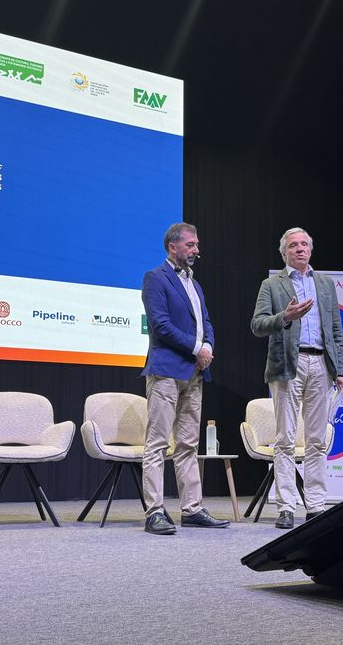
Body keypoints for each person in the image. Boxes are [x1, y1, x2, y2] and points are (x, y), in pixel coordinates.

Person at [250, 227, 343, 529]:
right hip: (287, 365)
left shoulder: (325, 284)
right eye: (293, 245)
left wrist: (341, 370)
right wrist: (285, 318)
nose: (300, 249)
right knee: (285, 439)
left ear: (311, 250)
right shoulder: (271, 285)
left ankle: (316, 505)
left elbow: (336, 330)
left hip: (321, 363)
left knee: (317, 440)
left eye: (304, 244)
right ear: (284, 253)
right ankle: (286, 507)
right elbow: (257, 325)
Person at [139, 222, 230, 535]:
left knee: (189, 445)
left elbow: (206, 323)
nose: (196, 250)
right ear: (172, 246)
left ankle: (191, 509)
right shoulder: (155, 278)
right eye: (190, 245)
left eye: (196, 244)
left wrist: (208, 346)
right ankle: (154, 512)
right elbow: (160, 325)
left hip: (195, 372)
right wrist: (197, 348)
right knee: (157, 444)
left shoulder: (195, 283)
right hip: (166, 370)